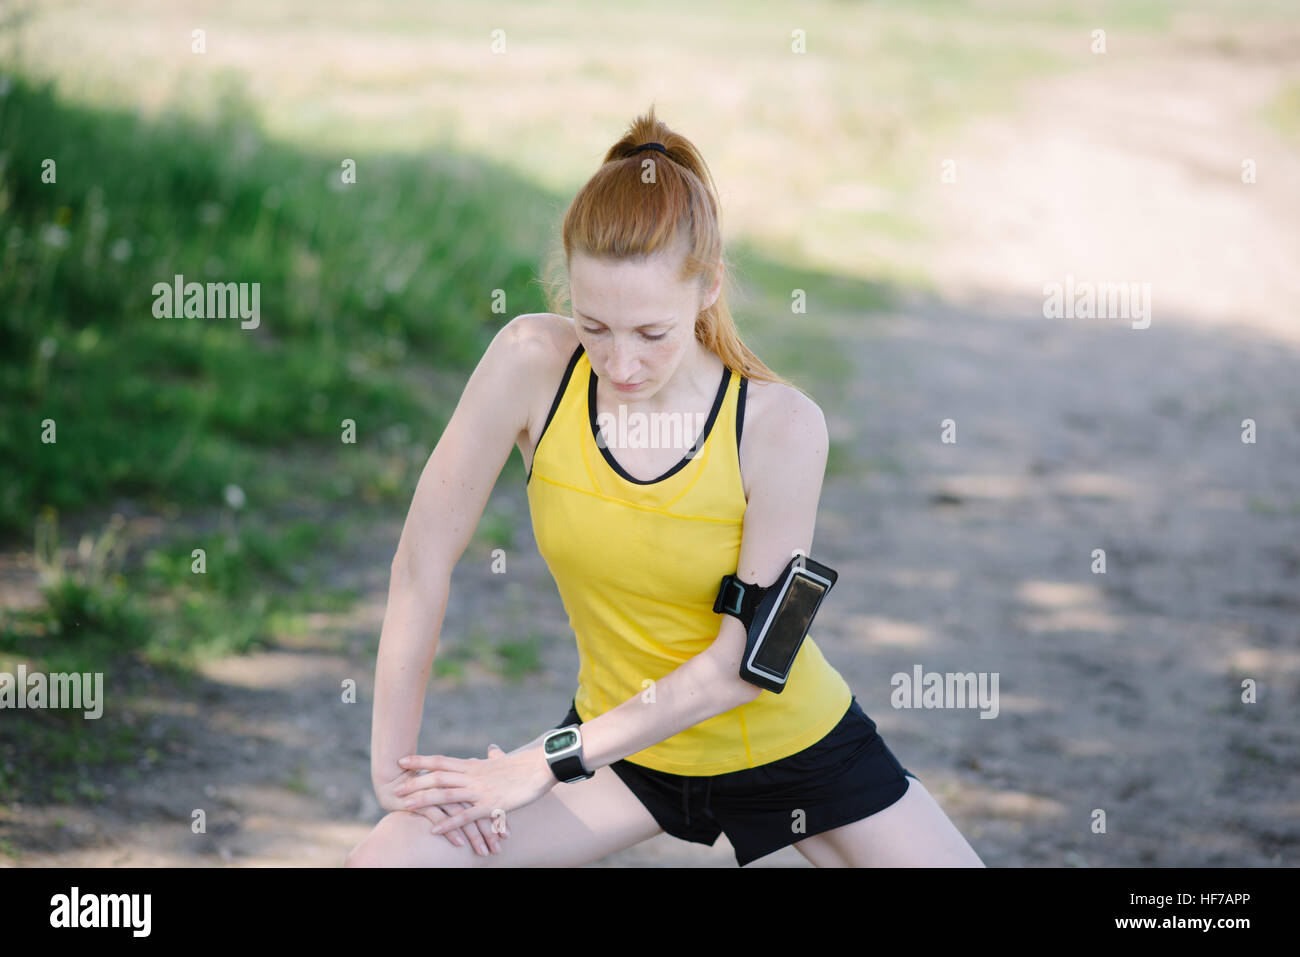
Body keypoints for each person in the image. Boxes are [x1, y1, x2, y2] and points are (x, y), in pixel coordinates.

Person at [345, 106, 984, 868]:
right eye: (594, 326)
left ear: (707, 287)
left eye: (651, 333)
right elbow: (422, 560)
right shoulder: (528, 363)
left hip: (786, 746)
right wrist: (395, 768)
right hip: (624, 756)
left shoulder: (782, 427)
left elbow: (747, 665)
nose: (619, 365)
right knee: (395, 857)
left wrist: (538, 762)